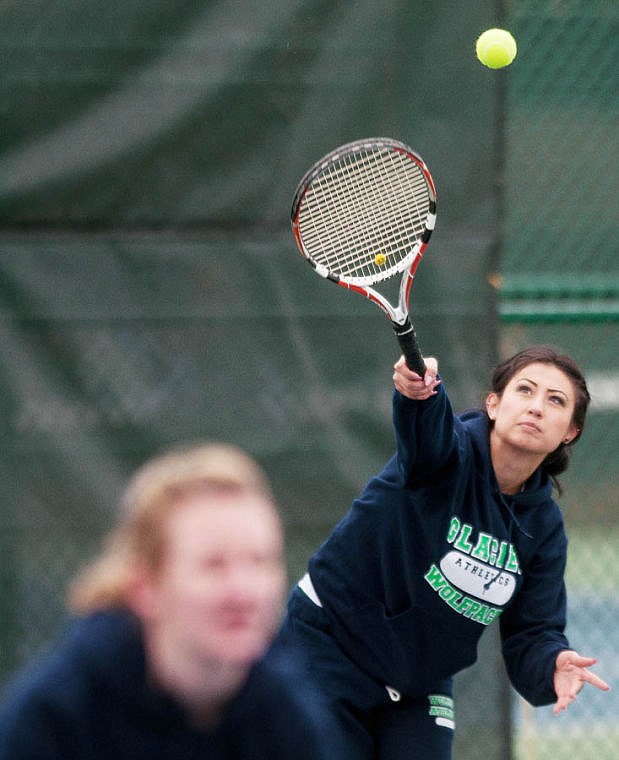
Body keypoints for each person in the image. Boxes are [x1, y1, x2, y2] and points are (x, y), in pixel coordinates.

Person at [277, 345, 610, 760]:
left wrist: (552, 662)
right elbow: (426, 433)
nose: (537, 407)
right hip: (328, 645)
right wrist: (419, 394)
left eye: (555, 400)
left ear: (570, 431)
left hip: (420, 681)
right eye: (525, 390)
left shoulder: (543, 528)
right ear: (493, 404)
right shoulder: (444, 457)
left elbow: (532, 630)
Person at [0, 443, 345, 760]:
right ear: (144, 588)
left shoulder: (292, 716)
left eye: (259, 561)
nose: (244, 591)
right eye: (214, 565)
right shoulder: (52, 720)